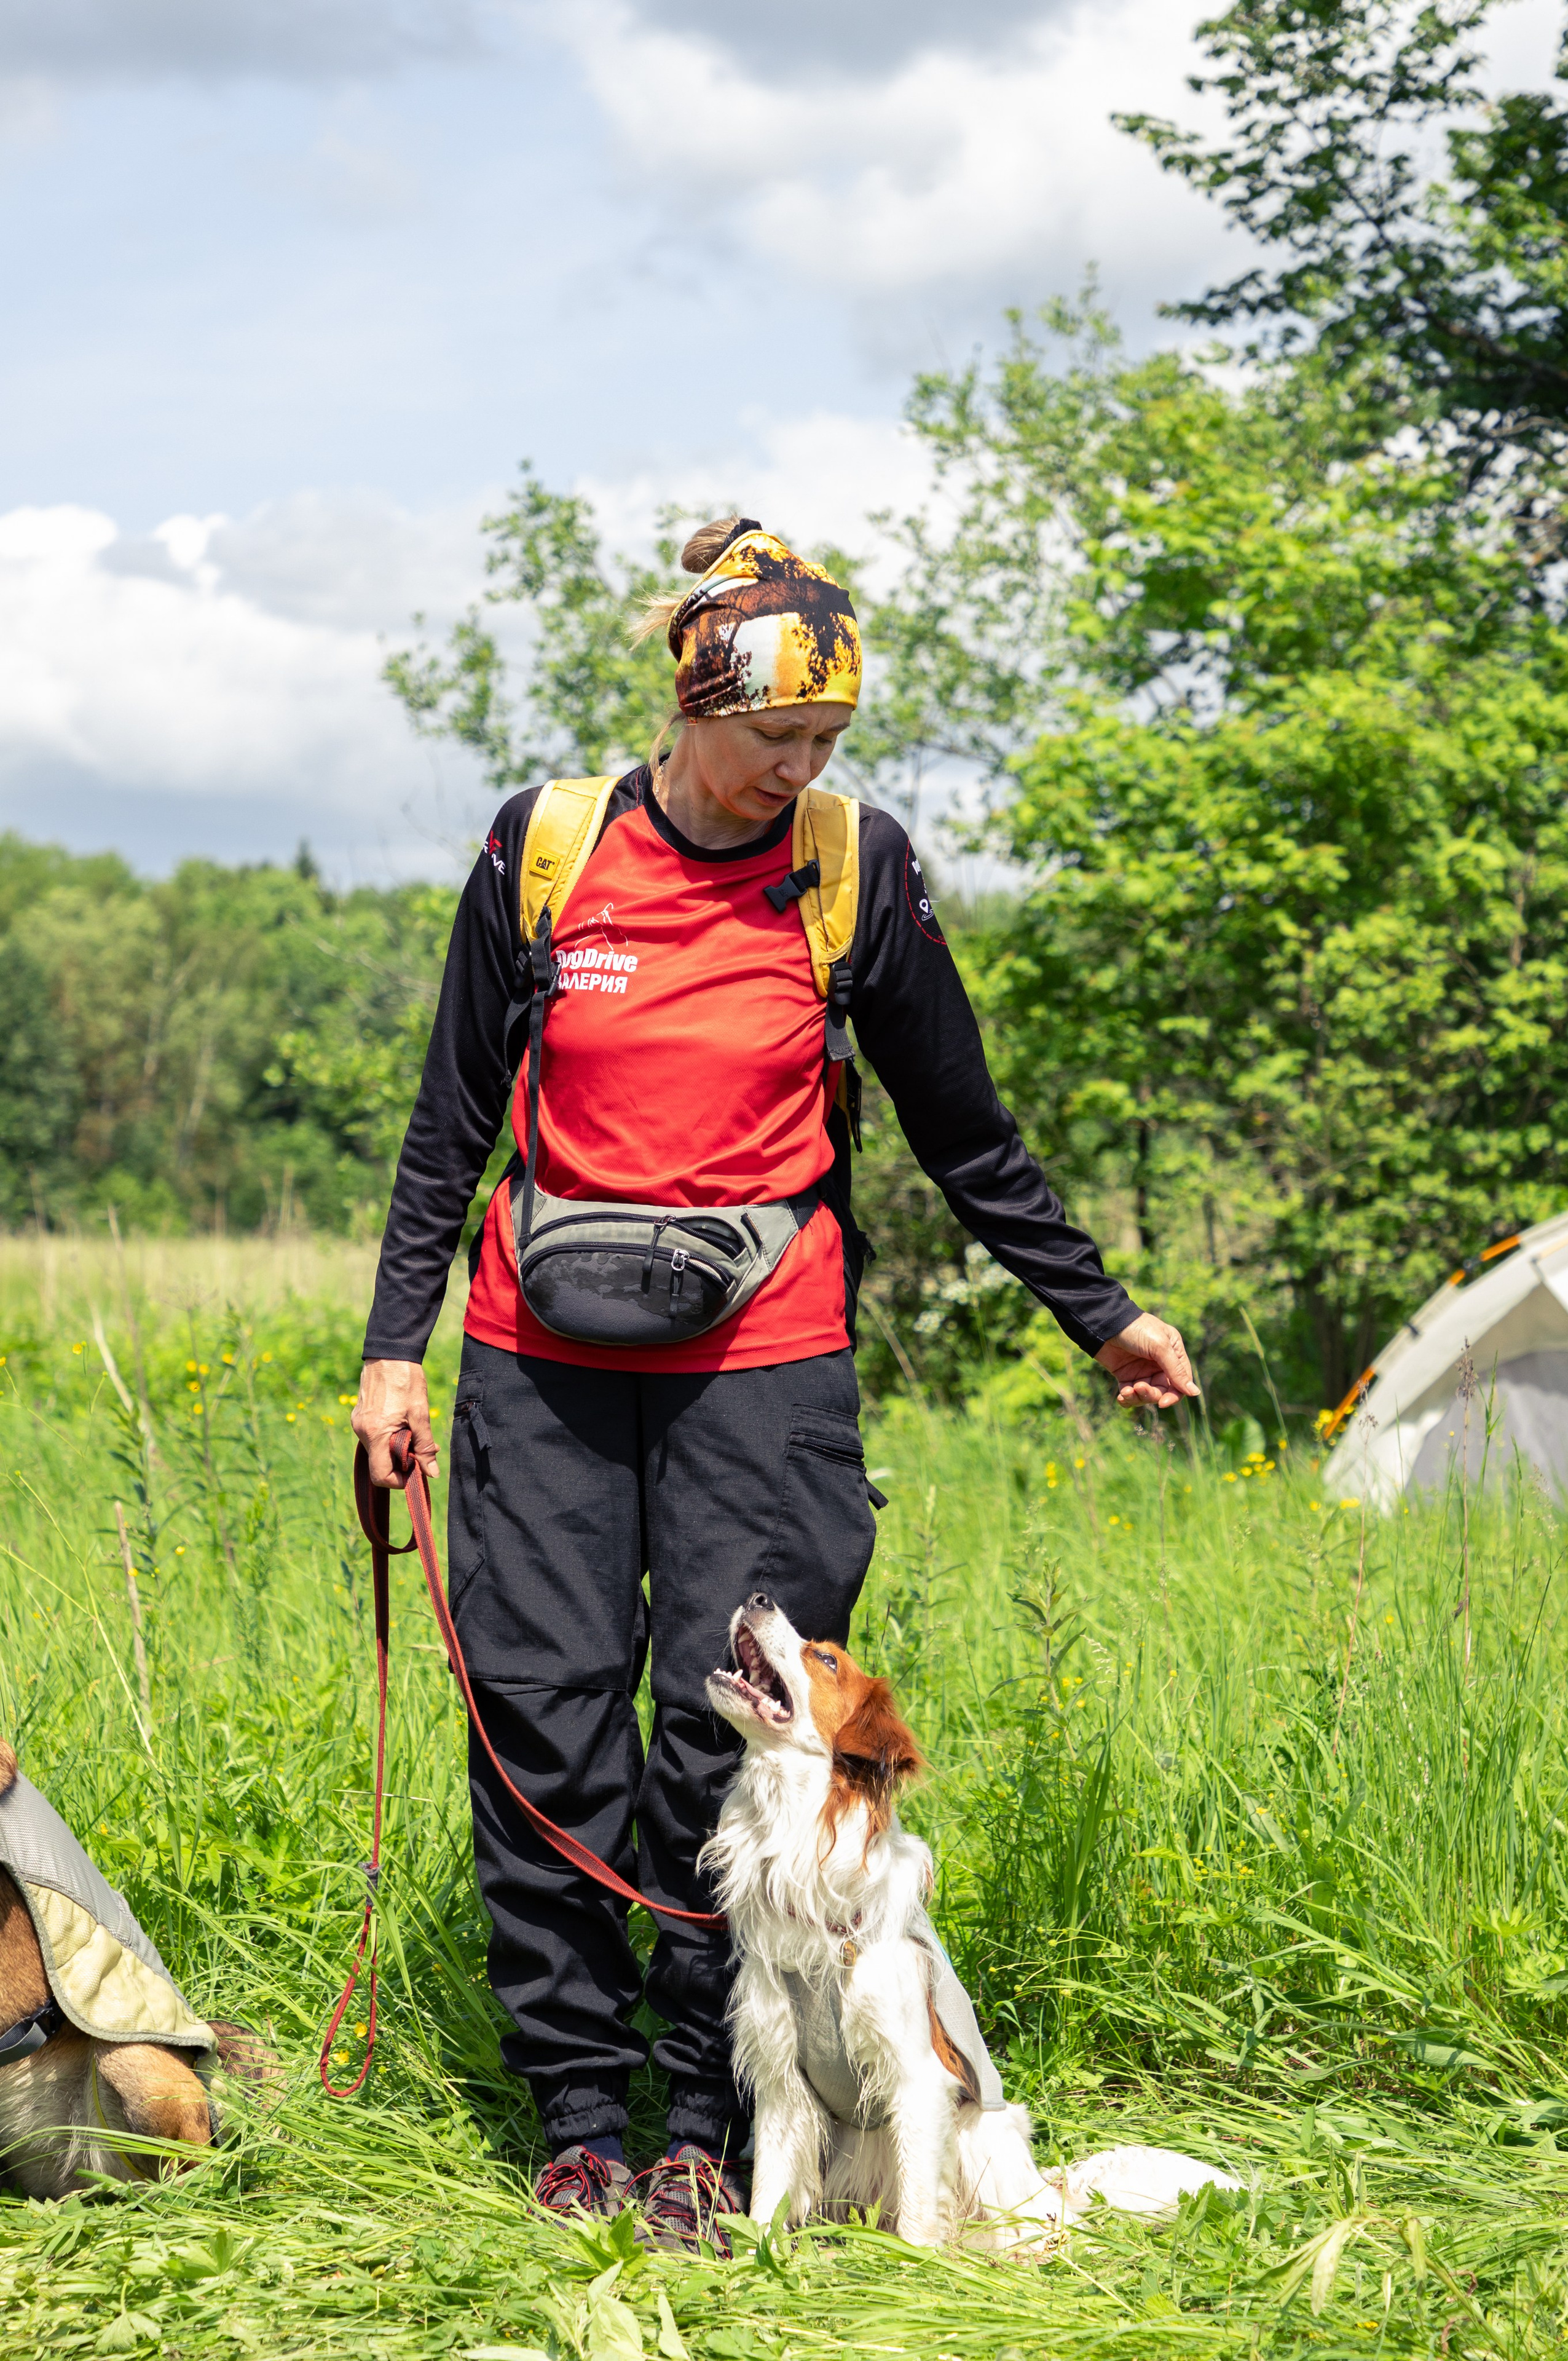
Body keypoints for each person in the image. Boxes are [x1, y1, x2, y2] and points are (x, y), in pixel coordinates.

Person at [353, 516, 1197, 2248]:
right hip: (538, 1357)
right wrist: (392, 1348)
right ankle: (580, 2117)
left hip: (768, 1359)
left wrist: (1095, 1310)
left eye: (826, 747)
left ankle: (706, 2122)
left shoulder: (849, 869)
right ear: (690, 704)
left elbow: (962, 1125)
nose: (798, 774)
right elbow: (451, 1117)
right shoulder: (546, 850)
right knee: (543, 1723)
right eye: (771, 746)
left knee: (718, 1738)